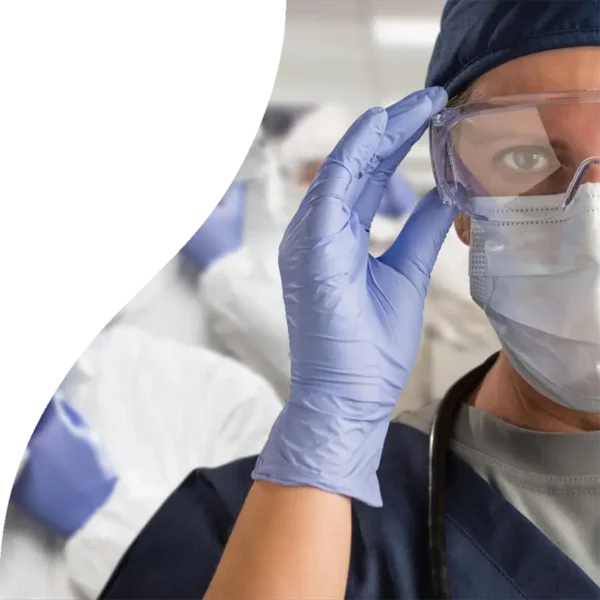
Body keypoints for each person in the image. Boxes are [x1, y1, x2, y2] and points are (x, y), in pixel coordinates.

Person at [32, 1, 600, 598]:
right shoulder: (251, 534)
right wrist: (326, 439)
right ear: (459, 197)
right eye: (524, 157)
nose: (591, 229)